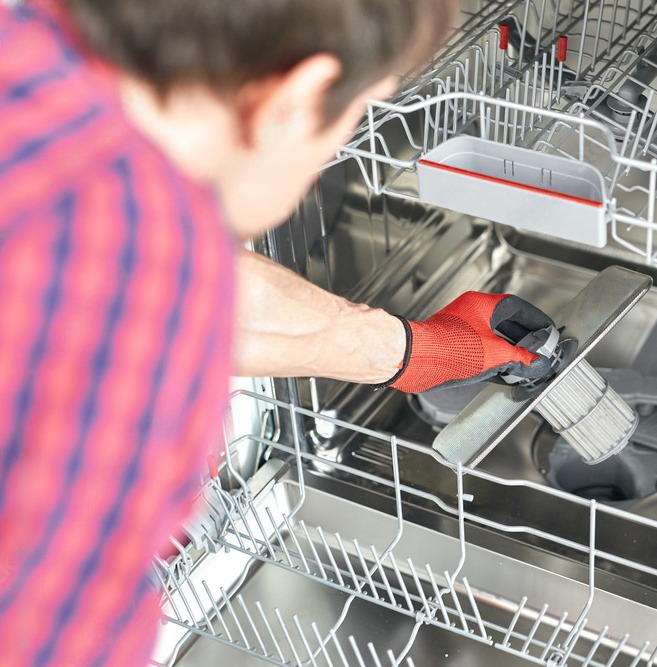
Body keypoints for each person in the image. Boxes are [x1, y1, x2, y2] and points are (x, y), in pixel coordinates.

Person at [0, 1, 554, 664]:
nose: (323, 165)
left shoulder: (35, 46)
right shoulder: (129, 294)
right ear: (295, 94)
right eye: (351, 116)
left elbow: (187, 281)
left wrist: (410, 350)